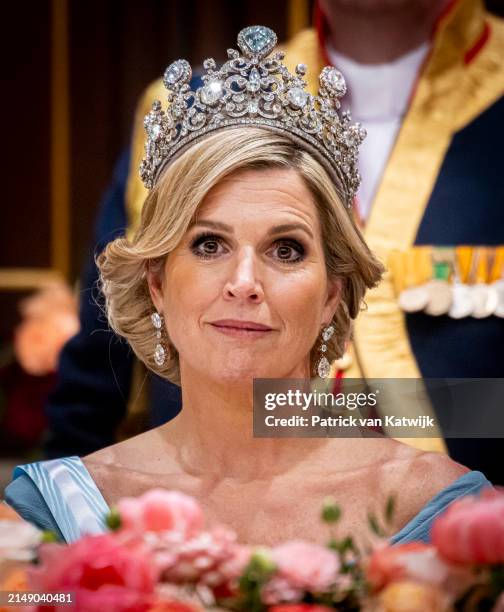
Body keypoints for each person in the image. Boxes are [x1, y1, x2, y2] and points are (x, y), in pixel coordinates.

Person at [5, 27, 491, 546]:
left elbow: (483, 407)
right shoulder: (66, 511)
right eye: (208, 245)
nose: (244, 284)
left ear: (333, 293)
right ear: (156, 281)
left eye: (287, 250)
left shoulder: (450, 511)